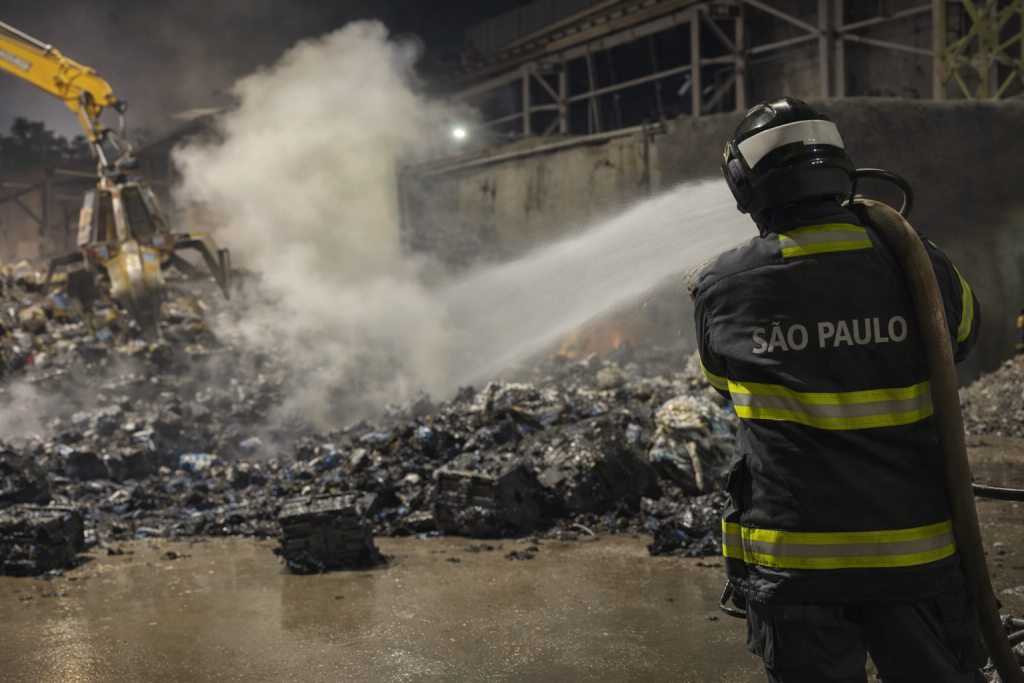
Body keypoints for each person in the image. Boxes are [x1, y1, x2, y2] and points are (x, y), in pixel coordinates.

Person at [690, 97, 985, 682]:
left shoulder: (723, 287)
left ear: (746, 189)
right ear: (841, 169)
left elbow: (723, 381)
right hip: (916, 557)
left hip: (795, 568)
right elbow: (963, 339)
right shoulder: (921, 264)